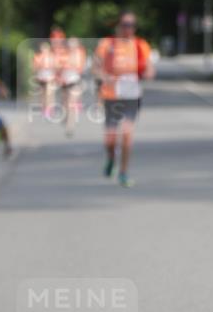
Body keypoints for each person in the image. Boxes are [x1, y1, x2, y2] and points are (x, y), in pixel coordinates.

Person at [93, 12, 154, 187]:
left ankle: (123, 172)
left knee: (127, 134)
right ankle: (111, 158)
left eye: (132, 24)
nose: (129, 28)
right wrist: (104, 77)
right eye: (125, 24)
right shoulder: (106, 44)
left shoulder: (140, 45)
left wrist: (148, 73)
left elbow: (149, 68)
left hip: (131, 95)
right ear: (118, 25)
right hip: (111, 95)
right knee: (110, 139)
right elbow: (95, 68)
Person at [57, 37, 87, 137]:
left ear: (77, 45)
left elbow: (81, 68)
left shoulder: (80, 54)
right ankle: (66, 117)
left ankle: (70, 126)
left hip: (75, 81)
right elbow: (58, 67)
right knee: (65, 103)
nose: (71, 46)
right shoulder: (63, 54)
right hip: (64, 82)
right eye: (70, 44)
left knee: (71, 104)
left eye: (73, 44)